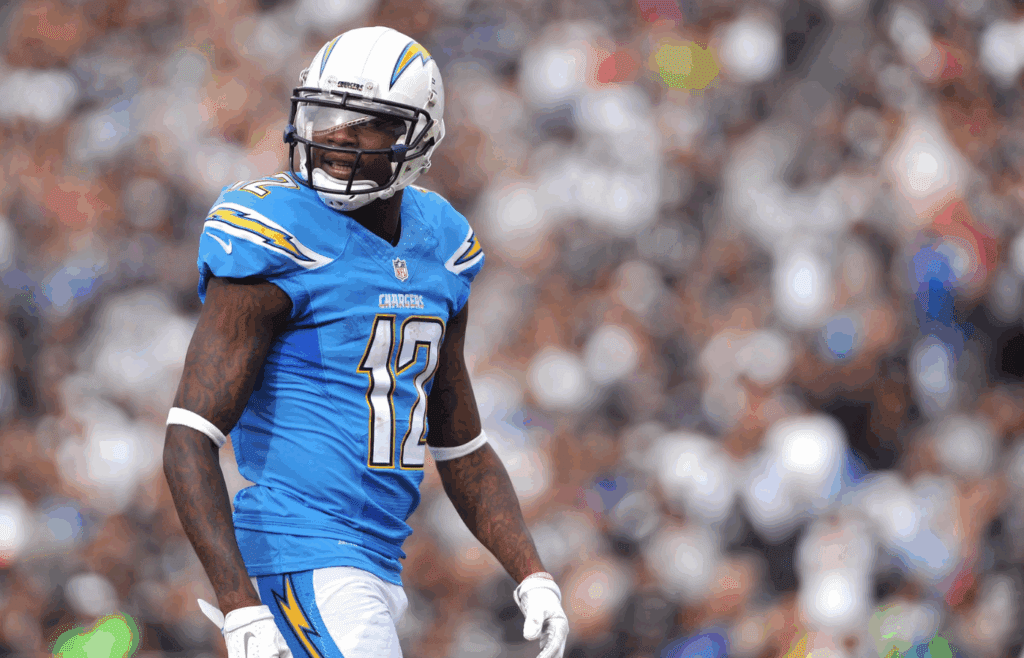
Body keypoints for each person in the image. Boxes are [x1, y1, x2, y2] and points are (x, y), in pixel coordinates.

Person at [161, 26, 569, 658]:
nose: (338, 136)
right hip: (300, 550)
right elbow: (189, 435)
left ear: (418, 138)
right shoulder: (274, 232)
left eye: (369, 123)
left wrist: (531, 574)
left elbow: (460, 441)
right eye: (326, 116)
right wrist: (240, 604)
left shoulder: (443, 242)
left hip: (376, 557)